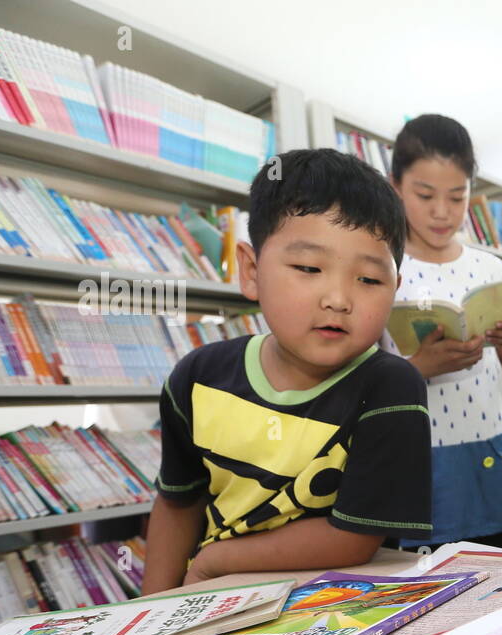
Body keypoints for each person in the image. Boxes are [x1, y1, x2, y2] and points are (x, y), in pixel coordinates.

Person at [142, 149, 431, 594]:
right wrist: (153, 612)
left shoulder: (391, 389)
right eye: (309, 269)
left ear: (396, 286)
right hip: (209, 600)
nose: (338, 298)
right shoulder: (196, 377)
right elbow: (178, 503)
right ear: (252, 271)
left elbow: (353, 540)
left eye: (369, 279)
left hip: (329, 603)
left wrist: (214, 561)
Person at [386, 114, 502, 547]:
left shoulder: (490, 267)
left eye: (457, 197)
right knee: (431, 580)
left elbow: (495, 379)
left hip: (493, 444)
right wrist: (418, 368)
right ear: (395, 184)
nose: (442, 212)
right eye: (425, 195)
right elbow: (369, 386)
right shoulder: (384, 269)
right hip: (426, 457)